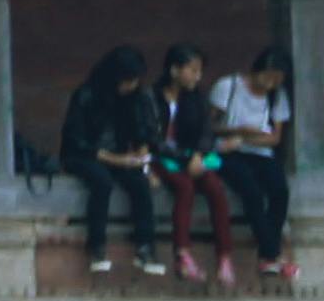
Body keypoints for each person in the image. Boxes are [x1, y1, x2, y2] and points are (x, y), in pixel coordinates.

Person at [57, 45, 163, 277]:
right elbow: (76, 140)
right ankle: (97, 246)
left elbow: (145, 133)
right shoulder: (86, 95)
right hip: (85, 155)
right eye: (126, 80)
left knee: (139, 183)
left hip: (122, 156)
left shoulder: (138, 98)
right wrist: (117, 159)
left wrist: (142, 162)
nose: (130, 86)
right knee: (101, 182)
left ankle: (145, 247)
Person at [207, 45, 295, 284]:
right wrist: (238, 131)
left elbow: (274, 138)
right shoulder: (229, 87)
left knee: (279, 191)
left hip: (260, 152)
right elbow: (209, 127)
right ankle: (272, 255)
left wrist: (246, 137)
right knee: (251, 192)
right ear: (257, 70)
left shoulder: (278, 96)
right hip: (227, 152)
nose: (271, 83)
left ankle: (268, 255)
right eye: (268, 76)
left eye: (277, 80)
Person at [152, 42, 238, 283]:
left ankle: (224, 256)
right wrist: (187, 159)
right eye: (192, 70)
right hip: (163, 159)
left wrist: (198, 155)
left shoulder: (196, 98)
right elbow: (152, 139)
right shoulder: (152, 98)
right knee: (185, 187)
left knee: (214, 187)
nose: (197, 76)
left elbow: (205, 133)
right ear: (174, 70)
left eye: (199, 71)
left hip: (192, 157)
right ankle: (183, 255)